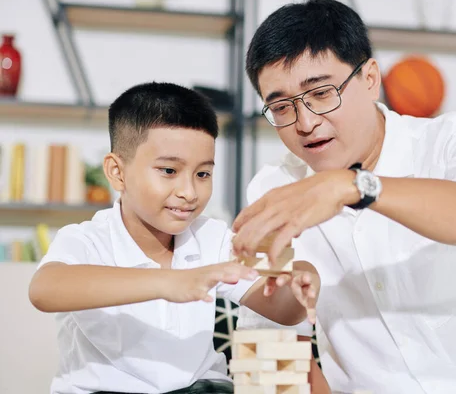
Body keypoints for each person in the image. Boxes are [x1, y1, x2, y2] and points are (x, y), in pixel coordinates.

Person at [231, 0, 456, 394]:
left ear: (370, 78)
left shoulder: (449, 138)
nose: (306, 123)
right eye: (281, 107)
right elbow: (268, 348)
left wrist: (351, 186)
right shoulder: (272, 189)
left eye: (322, 93)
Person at [28, 82, 322, 394]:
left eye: (203, 174)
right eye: (169, 171)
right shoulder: (87, 239)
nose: (189, 192)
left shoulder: (213, 237)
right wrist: (171, 282)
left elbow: (283, 310)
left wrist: (303, 278)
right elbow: (45, 289)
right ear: (117, 172)